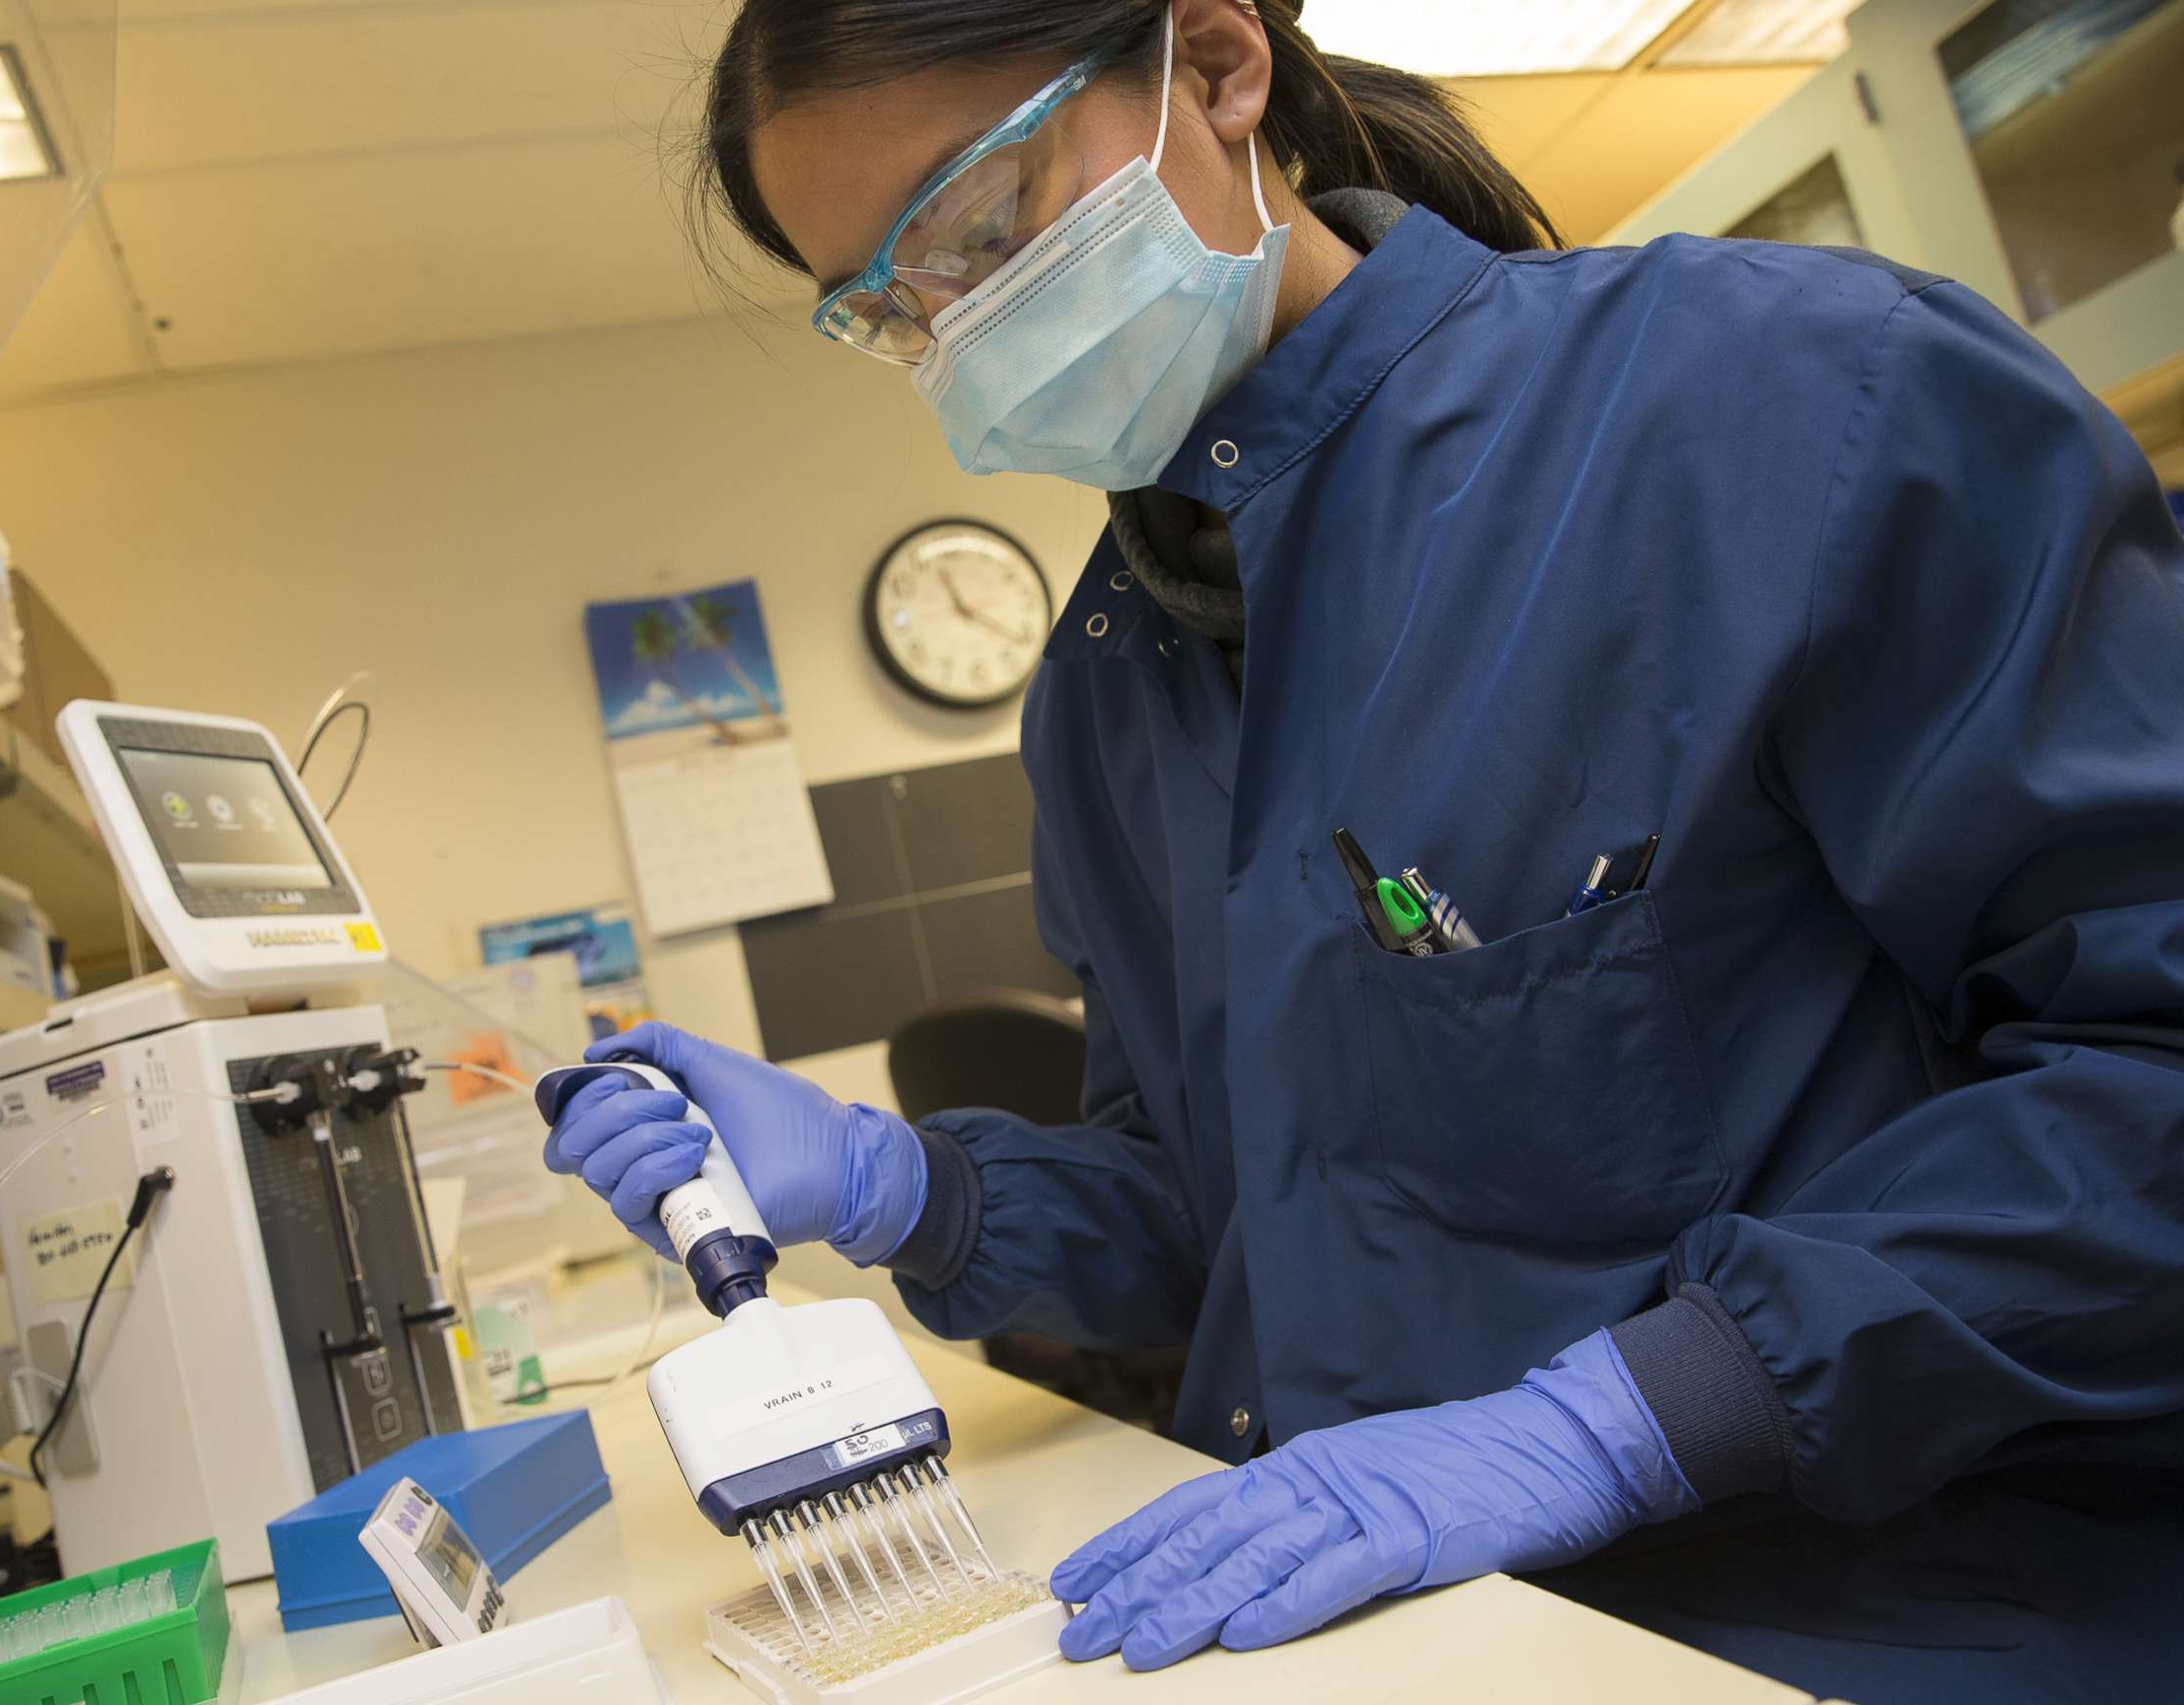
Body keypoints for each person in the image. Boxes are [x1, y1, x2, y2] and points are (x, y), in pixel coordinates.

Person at [543, 2, 2184, 1697]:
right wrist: (913, 1192)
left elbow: (2152, 1066)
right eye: (892, 305)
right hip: (1378, 1624)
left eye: (983, 225)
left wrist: (1639, 1417)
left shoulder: (1788, 404)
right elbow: (1232, 1210)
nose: (961, 325)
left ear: (1216, 68)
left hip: (1859, 1612)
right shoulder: (1106, 686)